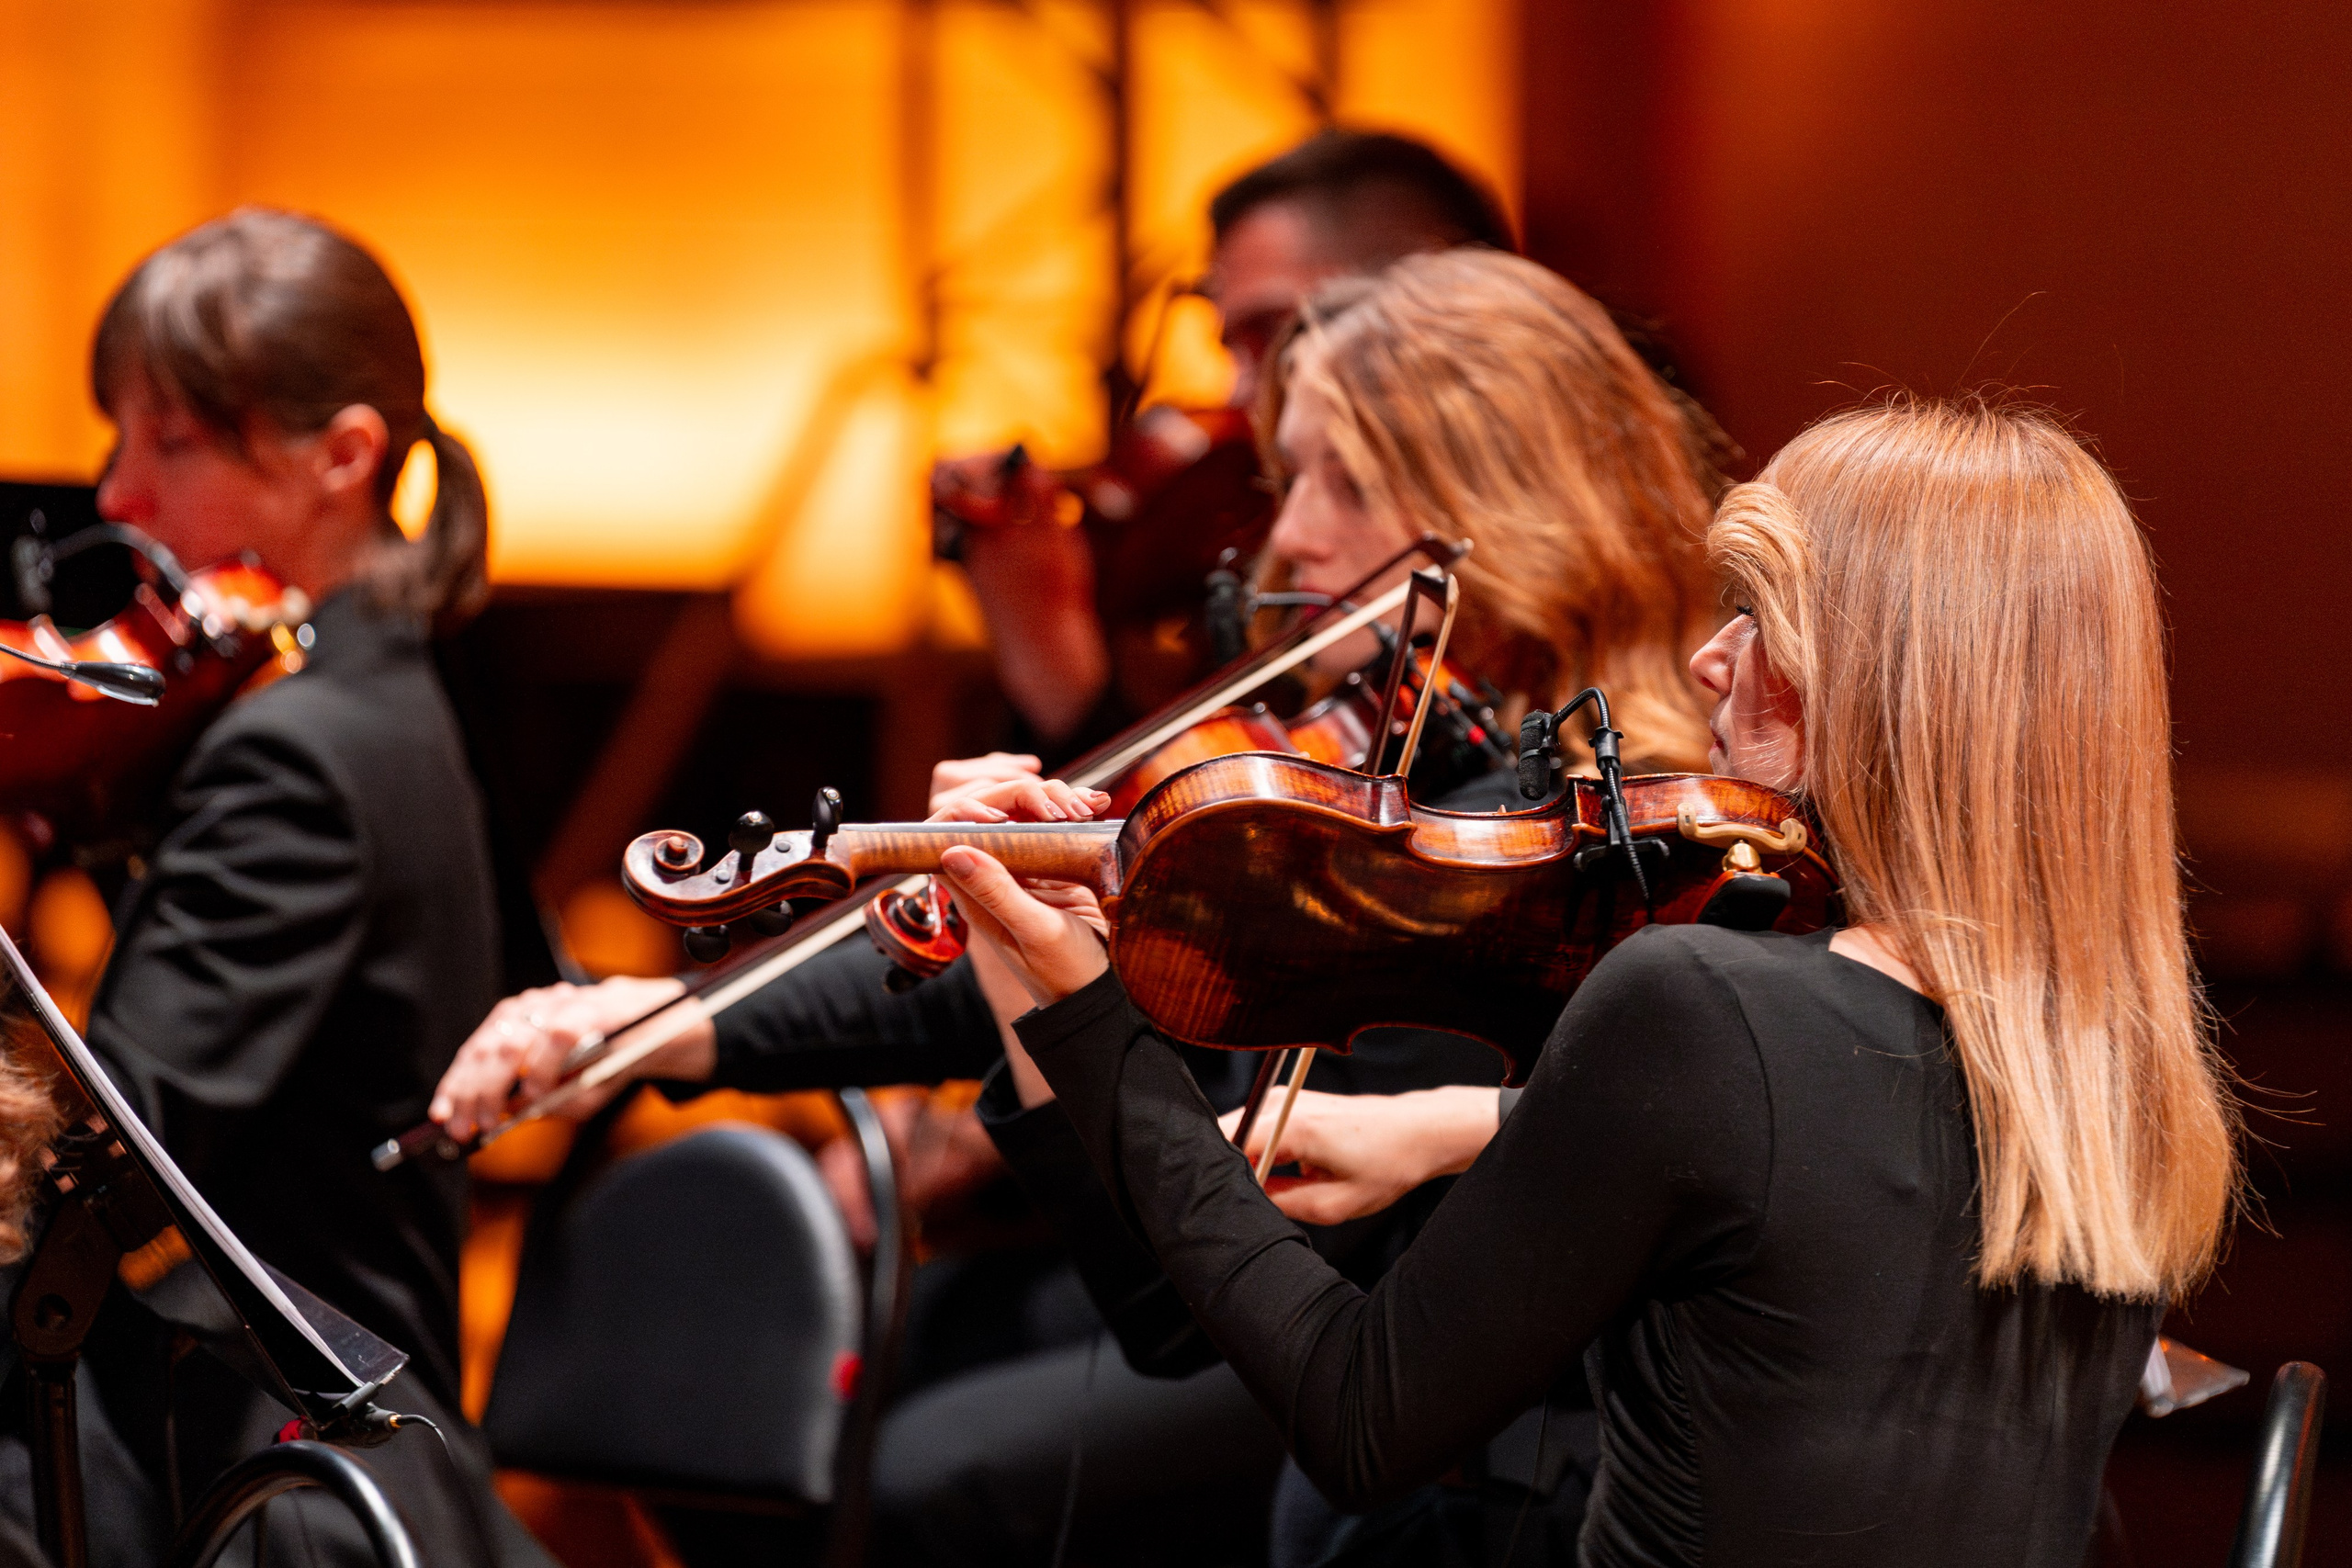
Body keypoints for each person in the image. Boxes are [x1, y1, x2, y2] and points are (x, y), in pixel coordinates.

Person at [435, 246, 1730, 1564]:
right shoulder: (1382, 757)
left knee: (927, 1477)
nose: (1288, 538)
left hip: (1395, 1384)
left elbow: (1207, 1293)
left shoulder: (1567, 842)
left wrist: (1037, 977)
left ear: (1507, 502)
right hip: (1253, 1301)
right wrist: (667, 1021)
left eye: (1344, 481)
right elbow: (976, 981)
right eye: (1289, 480)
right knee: (775, 1377)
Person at [938, 396, 2241, 1566]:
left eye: (1760, 614)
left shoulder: (1706, 1005)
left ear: (1897, 680)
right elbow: (1812, 1148)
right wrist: (1448, 1123)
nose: (1710, 658)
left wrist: (1081, 1000)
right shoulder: (2110, 1078)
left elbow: (1357, 1415)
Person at [39, 209, 554, 1567]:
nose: (116, 495)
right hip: (310, 1407)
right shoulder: (390, 686)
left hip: (275, 1455)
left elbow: (96, 1171)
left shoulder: (298, 754)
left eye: (172, 442)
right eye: (119, 437)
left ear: (343, 457)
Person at [938, 130, 1517, 754]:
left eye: (1274, 332)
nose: (1240, 389)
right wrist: (1052, 647)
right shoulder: (1283, 592)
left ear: (1447, 315)